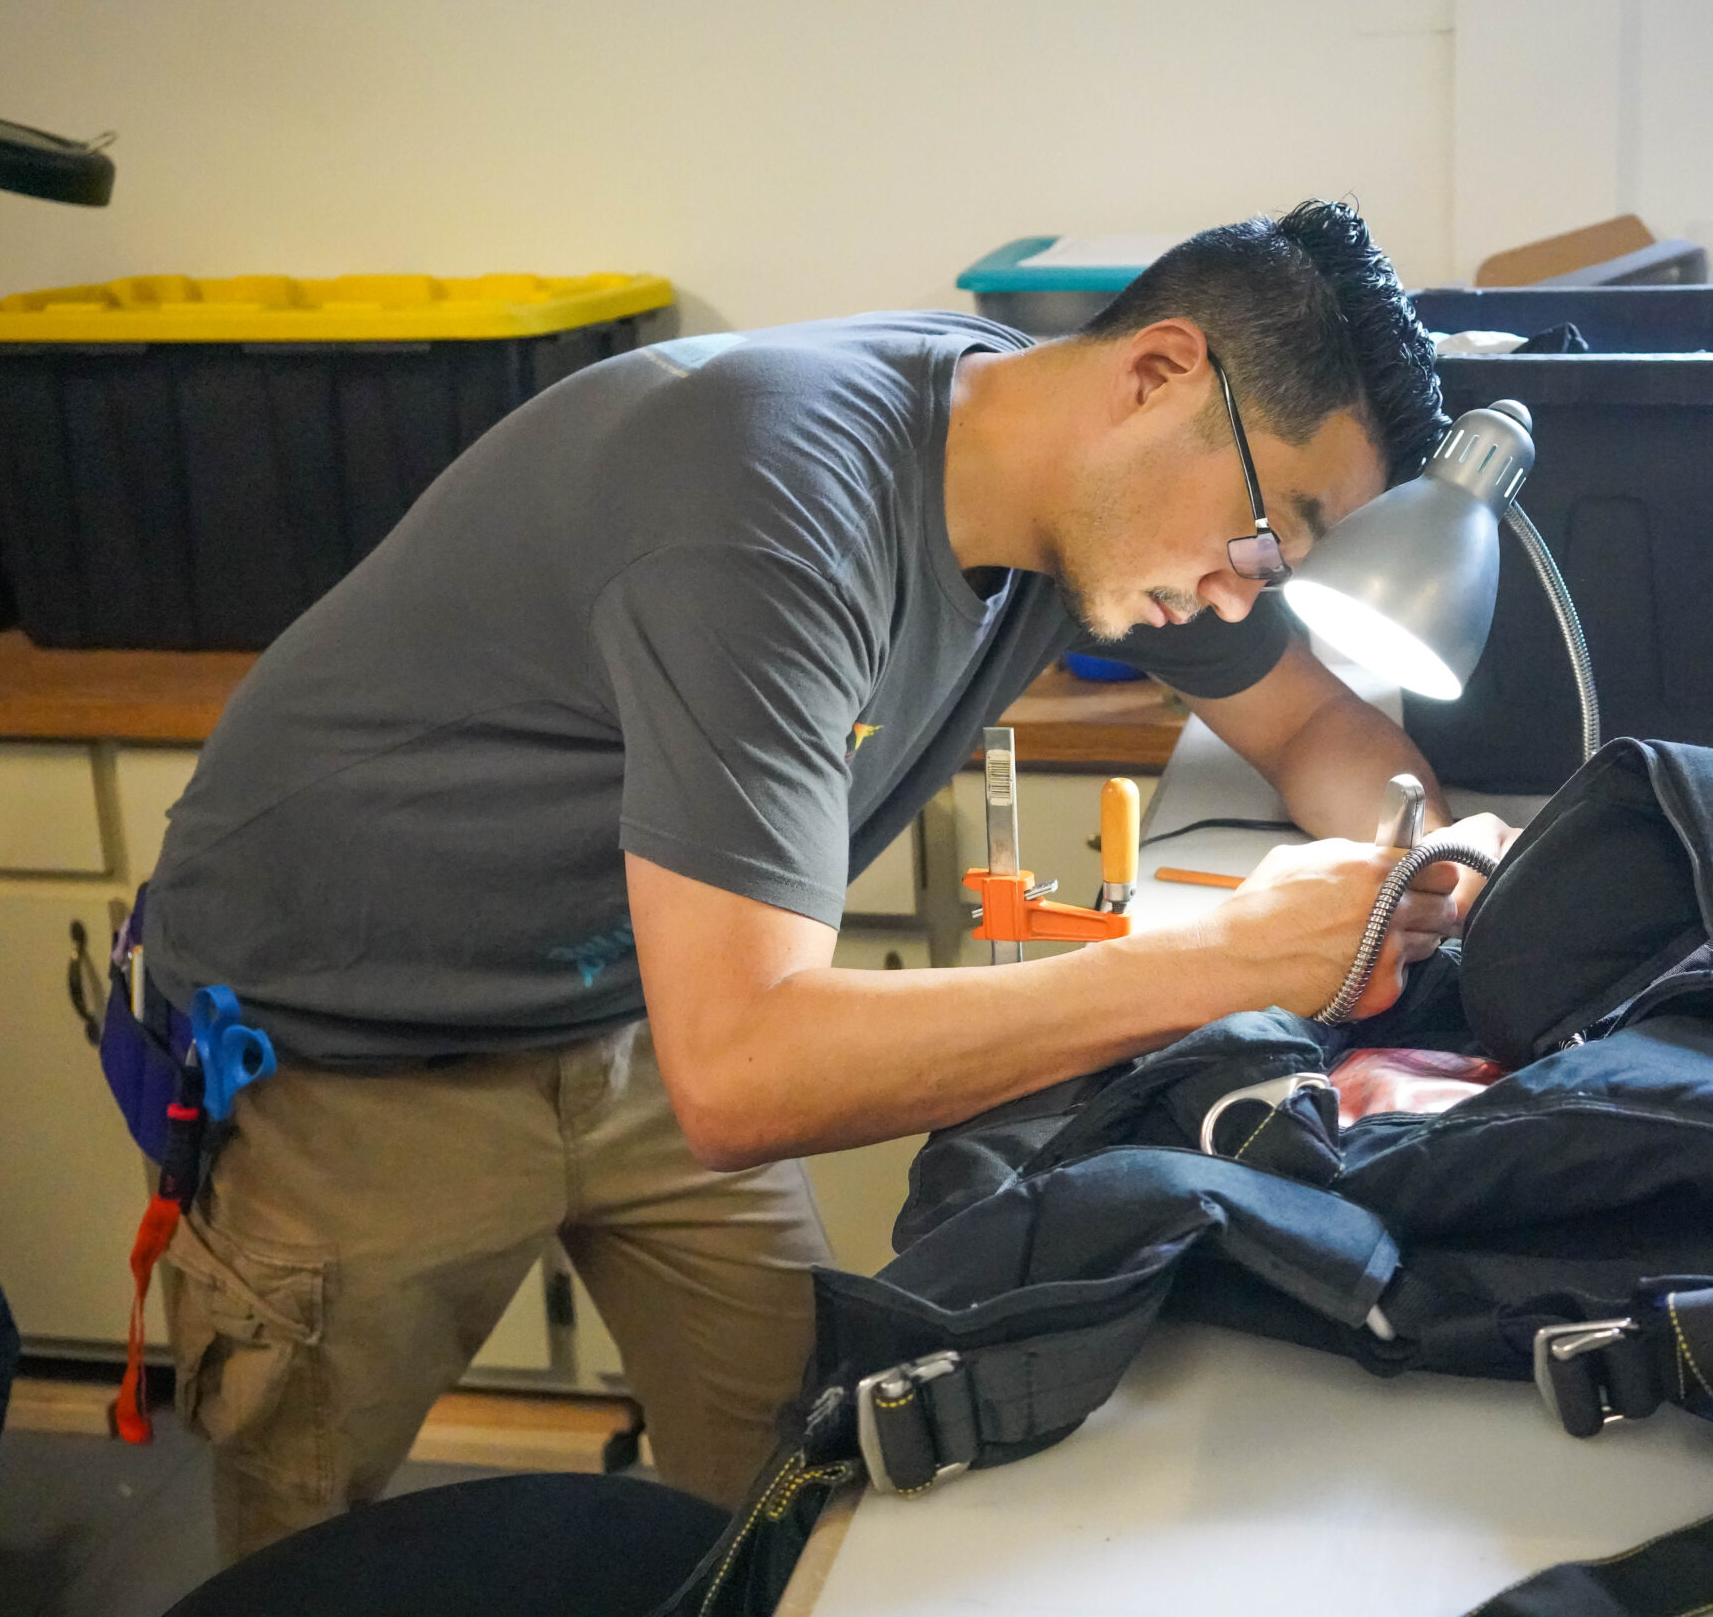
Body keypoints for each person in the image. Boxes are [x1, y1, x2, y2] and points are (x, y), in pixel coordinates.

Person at [142, 199, 1512, 1559]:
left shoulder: (1071, 490)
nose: (1242, 594)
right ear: (1155, 376)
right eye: (1274, 537)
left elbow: (1321, 726)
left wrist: (1418, 862)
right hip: (353, 1043)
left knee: (801, 1502)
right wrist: (1236, 960)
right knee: (303, 1547)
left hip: (633, 1001)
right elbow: (743, 1074)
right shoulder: (771, 497)